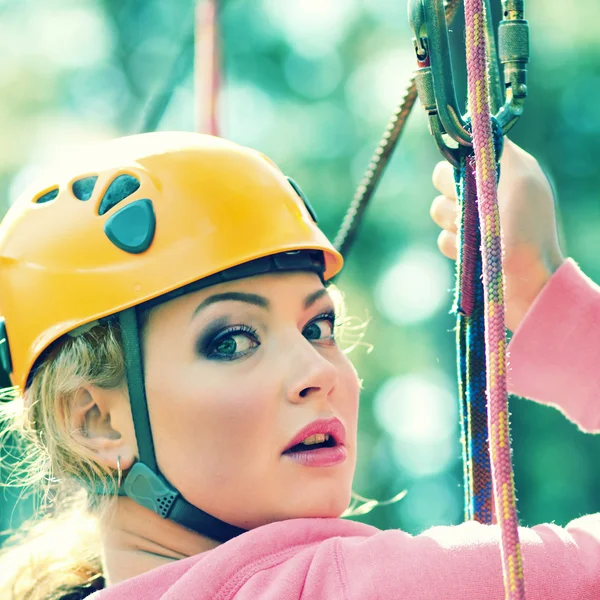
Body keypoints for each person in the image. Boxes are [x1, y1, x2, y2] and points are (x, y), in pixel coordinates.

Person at [0, 132, 597, 600]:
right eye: (232, 340)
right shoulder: (354, 587)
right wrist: (546, 294)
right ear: (93, 420)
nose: (320, 371)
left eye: (318, 328)